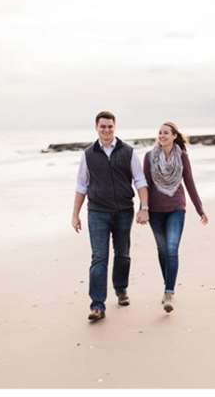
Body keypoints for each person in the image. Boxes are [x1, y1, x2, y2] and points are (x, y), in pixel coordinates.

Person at [72, 111, 149, 322]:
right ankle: (97, 305)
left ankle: (121, 288)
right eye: (102, 126)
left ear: (115, 127)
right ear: (96, 128)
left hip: (124, 210)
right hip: (97, 212)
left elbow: (140, 181)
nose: (106, 130)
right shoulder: (88, 154)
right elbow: (81, 185)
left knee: (123, 254)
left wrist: (144, 207)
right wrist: (75, 214)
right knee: (99, 257)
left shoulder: (128, 152)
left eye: (110, 126)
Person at [143, 122, 208, 313]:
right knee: (162, 250)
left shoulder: (182, 157)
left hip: (176, 208)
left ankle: (168, 292)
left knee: (172, 248)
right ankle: (168, 285)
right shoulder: (149, 157)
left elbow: (189, 183)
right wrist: (143, 209)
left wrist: (200, 209)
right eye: (160, 133)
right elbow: (144, 185)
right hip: (155, 210)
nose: (162, 136)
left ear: (173, 136)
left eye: (166, 133)